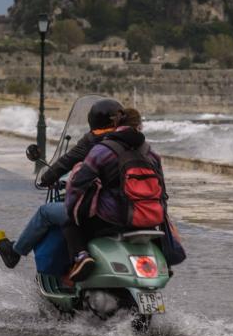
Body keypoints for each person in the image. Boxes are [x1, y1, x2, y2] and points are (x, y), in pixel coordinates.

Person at [0, 99, 124, 269]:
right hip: (134, 212)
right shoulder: (135, 142)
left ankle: (14, 252)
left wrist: (47, 178)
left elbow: (65, 162)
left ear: (93, 120)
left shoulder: (94, 141)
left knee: (46, 212)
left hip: (102, 212)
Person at [62, 107, 164, 281]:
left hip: (114, 219)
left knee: (70, 223)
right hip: (149, 218)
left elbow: (79, 183)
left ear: (116, 124)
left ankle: (81, 258)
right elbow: (162, 192)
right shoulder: (151, 154)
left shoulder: (104, 150)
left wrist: (72, 209)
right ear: (140, 126)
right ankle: (164, 264)